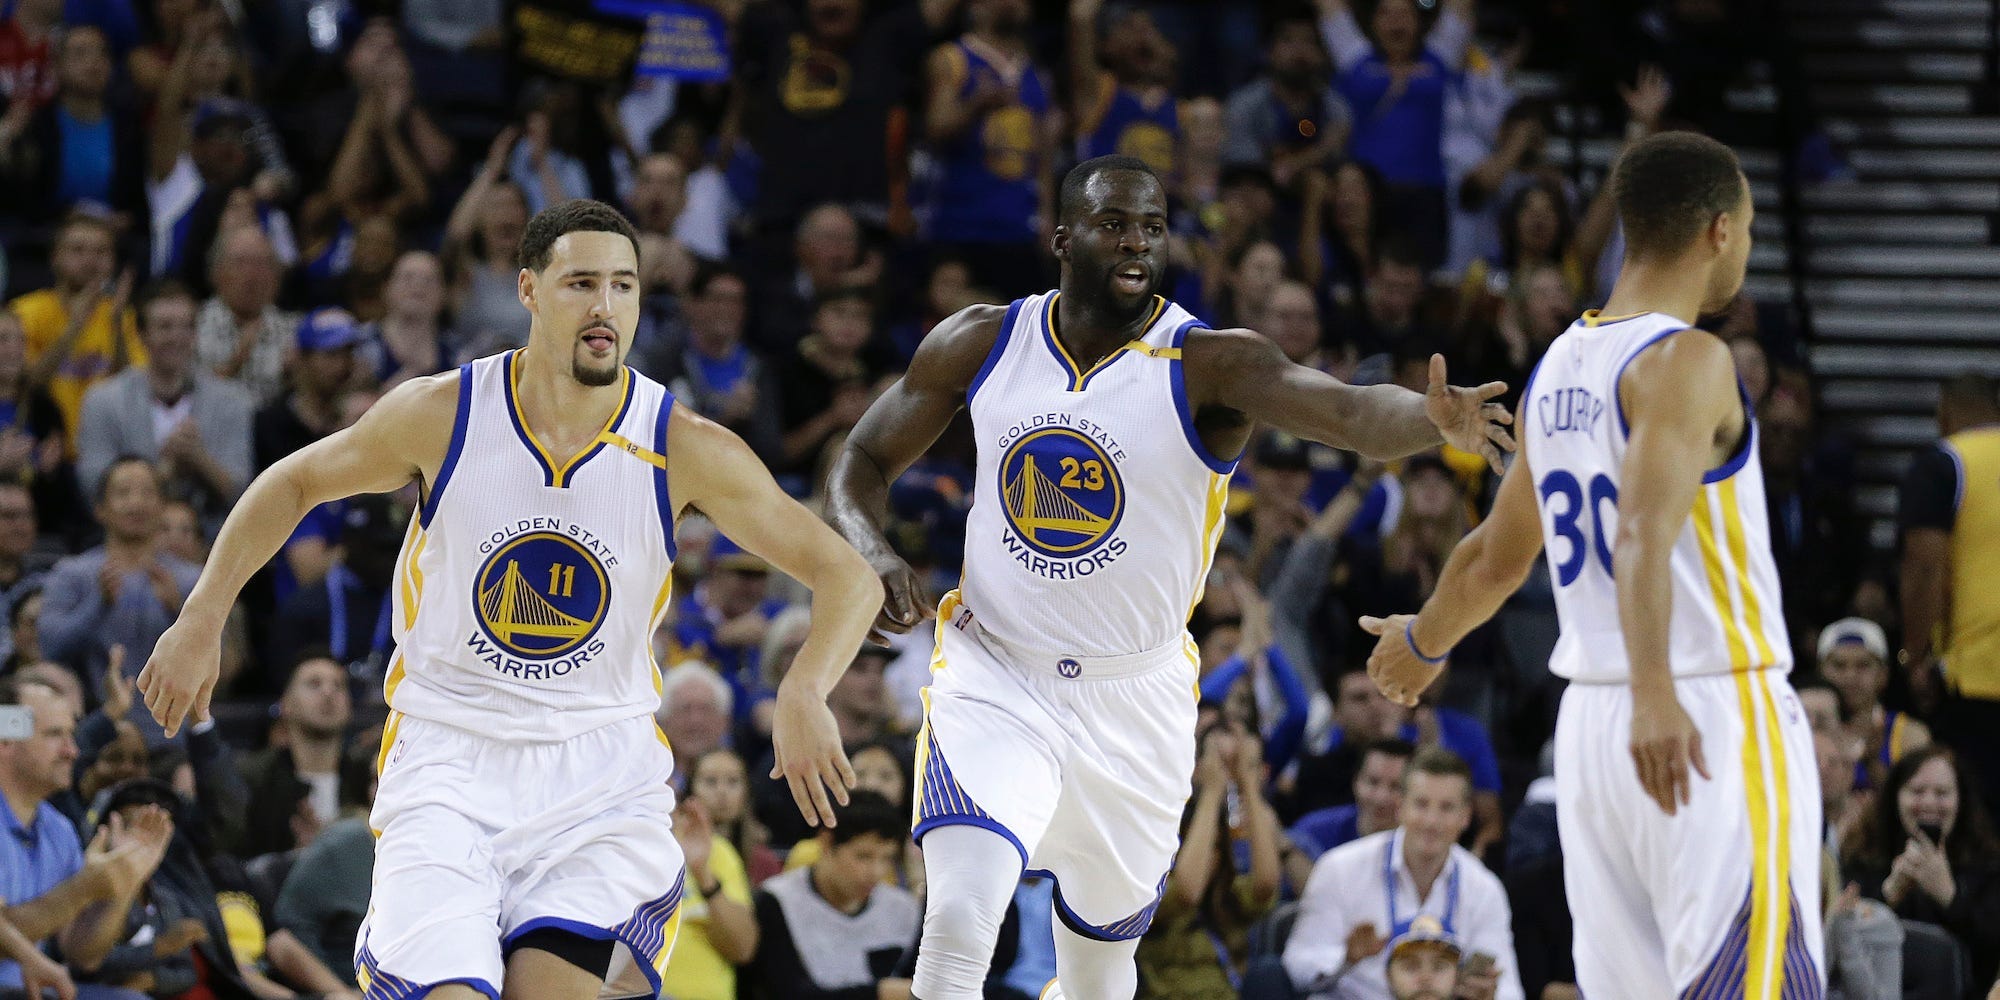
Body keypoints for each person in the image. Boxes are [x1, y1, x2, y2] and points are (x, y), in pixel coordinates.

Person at [135, 199, 883, 1000]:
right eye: (581, 283)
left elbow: (850, 576)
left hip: (595, 773)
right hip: (450, 759)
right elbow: (293, 483)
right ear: (527, 290)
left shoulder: (684, 446)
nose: (605, 307)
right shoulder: (444, 414)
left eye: (625, 287)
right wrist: (201, 616)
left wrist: (805, 687)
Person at [826, 154, 1511, 1000]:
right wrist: (872, 545)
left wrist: (1429, 420)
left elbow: (1346, 413)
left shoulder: (1208, 362)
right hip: (995, 672)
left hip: (1137, 696)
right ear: (1064, 238)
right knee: (963, 917)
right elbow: (860, 456)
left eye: (1151, 226)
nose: (1136, 243)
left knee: (1101, 971)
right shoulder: (983, 339)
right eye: (1114, 224)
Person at [1358, 131, 1825, 997]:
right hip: (1698, 707)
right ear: (1720, 230)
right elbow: (1642, 532)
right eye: (1750, 231)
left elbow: (1495, 561)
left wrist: (1422, 643)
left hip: (1593, 738)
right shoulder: (1690, 357)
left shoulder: (1562, 362)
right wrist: (1656, 689)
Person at [1283, 747, 1521, 999]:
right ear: (1400, 807)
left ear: (1465, 817)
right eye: (1421, 804)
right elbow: (1295, 965)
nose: (1432, 822)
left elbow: (1509, 989)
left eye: (1446, 808)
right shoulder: (1339, 869)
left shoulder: (1484, 888)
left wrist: (1487, 993)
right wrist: (1346, 958)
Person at [0, 675, 173, 1000]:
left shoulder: (59, 829)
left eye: (70, 734)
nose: (72, 750)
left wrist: (124, 883)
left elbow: (83, 954)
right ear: (7, 740)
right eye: (55, 735)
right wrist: (83, 888)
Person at [1899, 371, 2000, 807]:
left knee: (1978, 822)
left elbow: (1925, 570)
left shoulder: (1946, 463)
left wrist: (1915, 655)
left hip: (1974, 682)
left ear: (1944, 413)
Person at [1841, 743, 2000, 990]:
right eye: (1917, 791)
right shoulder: (1863, 855)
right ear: (1896, 797)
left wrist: (1949, 895)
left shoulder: (1988, 863)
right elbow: (1842, 939)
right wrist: (1887, 896)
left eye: (1941, 793)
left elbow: (1991, 947)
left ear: (1960, 801)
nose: (1929, 802)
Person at [743, 789, 920, 1000]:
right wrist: (880, 993)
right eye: (863, 856)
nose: (876, 872)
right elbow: (784, 991)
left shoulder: (904, 909)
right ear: (826, 843)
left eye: (887, 858)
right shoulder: (777, 901)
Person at [1815, 616, 1929, 792]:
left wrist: (1873, 765)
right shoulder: (1803, 732)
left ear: (1883, 675)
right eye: (1839, 665)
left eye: (1863, 665)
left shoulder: (1908, 735)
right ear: (1821, 673)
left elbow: (1917, 798)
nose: (1850, 676)